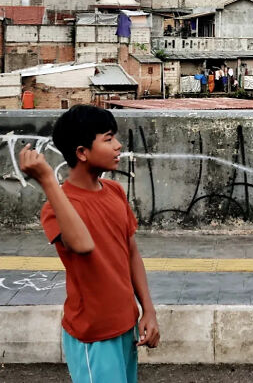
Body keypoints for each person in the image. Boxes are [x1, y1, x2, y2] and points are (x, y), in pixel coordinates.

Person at [19, 105, 159, 383]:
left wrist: (149, 311)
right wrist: (48, 179)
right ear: (82, 152)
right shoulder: (55, 208)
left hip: (125, 326)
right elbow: (83, 245)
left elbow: (131, 253)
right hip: (93, 335)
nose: (118, 145)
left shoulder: (116, 191)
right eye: (108, 139)